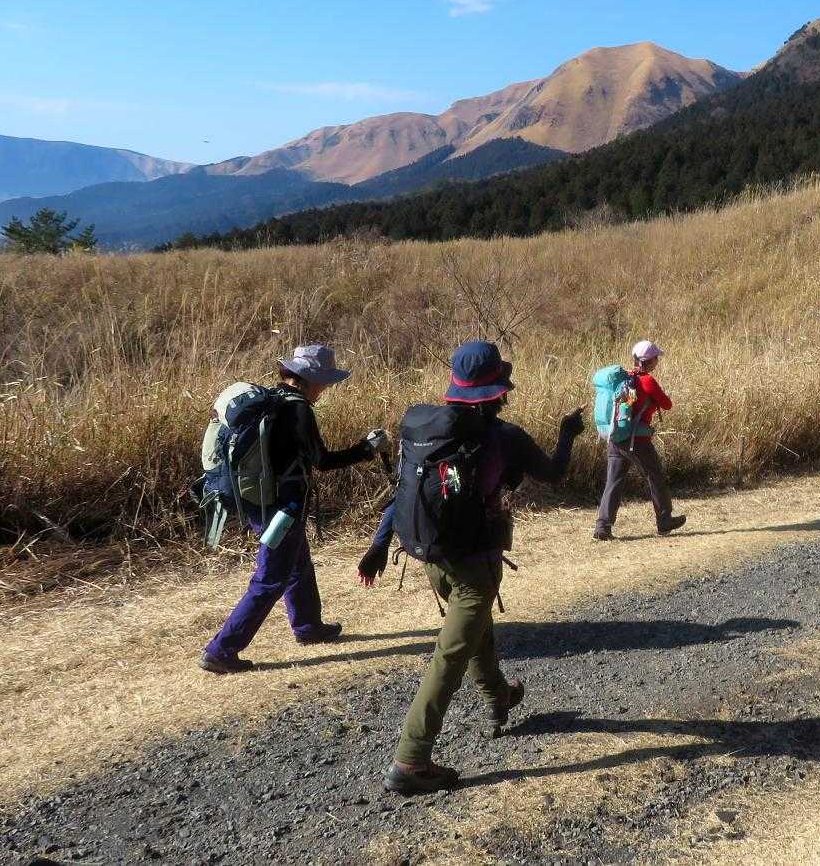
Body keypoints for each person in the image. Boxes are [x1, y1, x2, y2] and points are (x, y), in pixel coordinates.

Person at [358, 340, 583, 794]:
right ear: (498, 391)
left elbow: (404, 490)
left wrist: (379, 545)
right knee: (450, 656)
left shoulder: (426, 429)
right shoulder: (505, 437)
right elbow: (555, 474)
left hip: (432, 559)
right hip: (476, 564)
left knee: (475, 629)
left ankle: (500, 696)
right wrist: (567, 432)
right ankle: (411, 760)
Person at [199, 344, 388, 675]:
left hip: (260, 502)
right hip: (282, 508)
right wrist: (366, 449)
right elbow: (322, 461)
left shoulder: (273, 400)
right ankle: (221, 651)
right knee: (270, 579)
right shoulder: (298, 409)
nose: (325, 388)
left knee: (298, 562)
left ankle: (308, 626)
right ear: (309, 379)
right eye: (324, 382)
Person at [593, 339, 685, 541]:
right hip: (638, 440)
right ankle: (664, 520)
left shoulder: (626, 378)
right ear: (649, 361)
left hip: (616, 437)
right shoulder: (647, 381)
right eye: (656, 358)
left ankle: (602, 527)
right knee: (656, 476)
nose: (657, 361)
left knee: (613, 481)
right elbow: (667, 404)